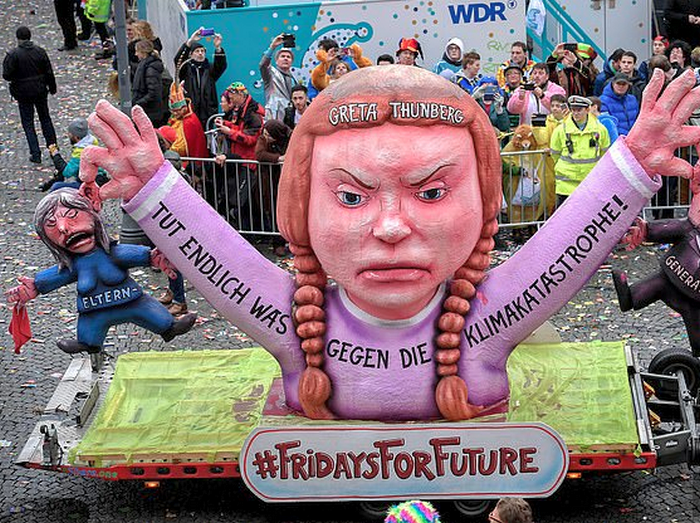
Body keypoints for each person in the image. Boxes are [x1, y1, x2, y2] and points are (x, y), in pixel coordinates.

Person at [81, 67, 700, 423]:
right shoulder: (300, 321)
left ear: (484, 206)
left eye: (431, 193)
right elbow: (221, 261)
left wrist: (635, 164)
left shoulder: (486, 317)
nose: (391, 227)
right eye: (351, 197)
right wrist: (152, 190)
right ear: (301, 210)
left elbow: (566, 247)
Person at [5, 187, 197, 355]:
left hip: (132, 302)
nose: (63, 228)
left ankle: (169, 327)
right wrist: (36, 286)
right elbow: (56, 277)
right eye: (51, 225)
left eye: (72, 215)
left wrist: (153, 257)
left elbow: (135, 255)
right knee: (88, 333)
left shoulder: (112, 253)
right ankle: (88, 344)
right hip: (94, 312)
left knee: (156, 316)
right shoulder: (74, 265)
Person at [613, 188, 700, 358]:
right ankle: (629, 297)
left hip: (695, 296)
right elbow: (668, 229)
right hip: (671, 276)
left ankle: (698, 352)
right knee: (656, 285)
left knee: (696, 320)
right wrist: (646, 230)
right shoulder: (688, 229)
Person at [2, 26, 58, 165]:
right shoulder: (40, 52)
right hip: (40, 90)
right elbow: (49, 72)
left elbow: (6, 75)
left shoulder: (13, 55)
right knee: (45, 119)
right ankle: (53, 150)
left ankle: (35, 153)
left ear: (18, 38)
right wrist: (52, 88)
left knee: (28, 123)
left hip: (23, 93)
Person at [550, 95, 610, 203]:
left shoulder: (600, 129)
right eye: (573, 110)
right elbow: (555, 153)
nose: (576, 113)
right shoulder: (560, 130)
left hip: (591, 183)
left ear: (587, 110)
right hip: (566, 186)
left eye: (579, 110)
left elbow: (604, 153)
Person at [175, 28, 227, 129]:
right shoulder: (186, 68)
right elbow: (178, 61)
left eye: (202, 51)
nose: (200, 53)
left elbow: (221, 65)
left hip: (208, 113)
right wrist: (190, 41)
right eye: (197, 51)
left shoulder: (210, 68)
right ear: (191, 54)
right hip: (191, 112)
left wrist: (218, 48)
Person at [43, 118, 101, 192]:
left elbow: (67, 172)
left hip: (88, 186)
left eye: (70, 134)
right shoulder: (92, 143)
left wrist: (55, 154)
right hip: (97, 180)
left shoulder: (81, 151)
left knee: (56, 187)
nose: (68, 135)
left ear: (76, 137)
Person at [260, 33, 299, 121]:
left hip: (290, 117)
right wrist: (272, 47)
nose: (285, 58)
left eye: (288, 57)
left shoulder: (294, 79)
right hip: (274, 116)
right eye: (282, 56)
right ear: (276, 61)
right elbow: (263, 65)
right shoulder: (270, 74)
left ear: (291, 62)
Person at [131, 40, 165, 127]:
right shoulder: (146, 66)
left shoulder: (150, 69)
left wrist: (138, 103)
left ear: (143, 52)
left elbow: (153, 92)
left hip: (150, 112)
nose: (136, 54)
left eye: (137, 51)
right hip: (149, 110)